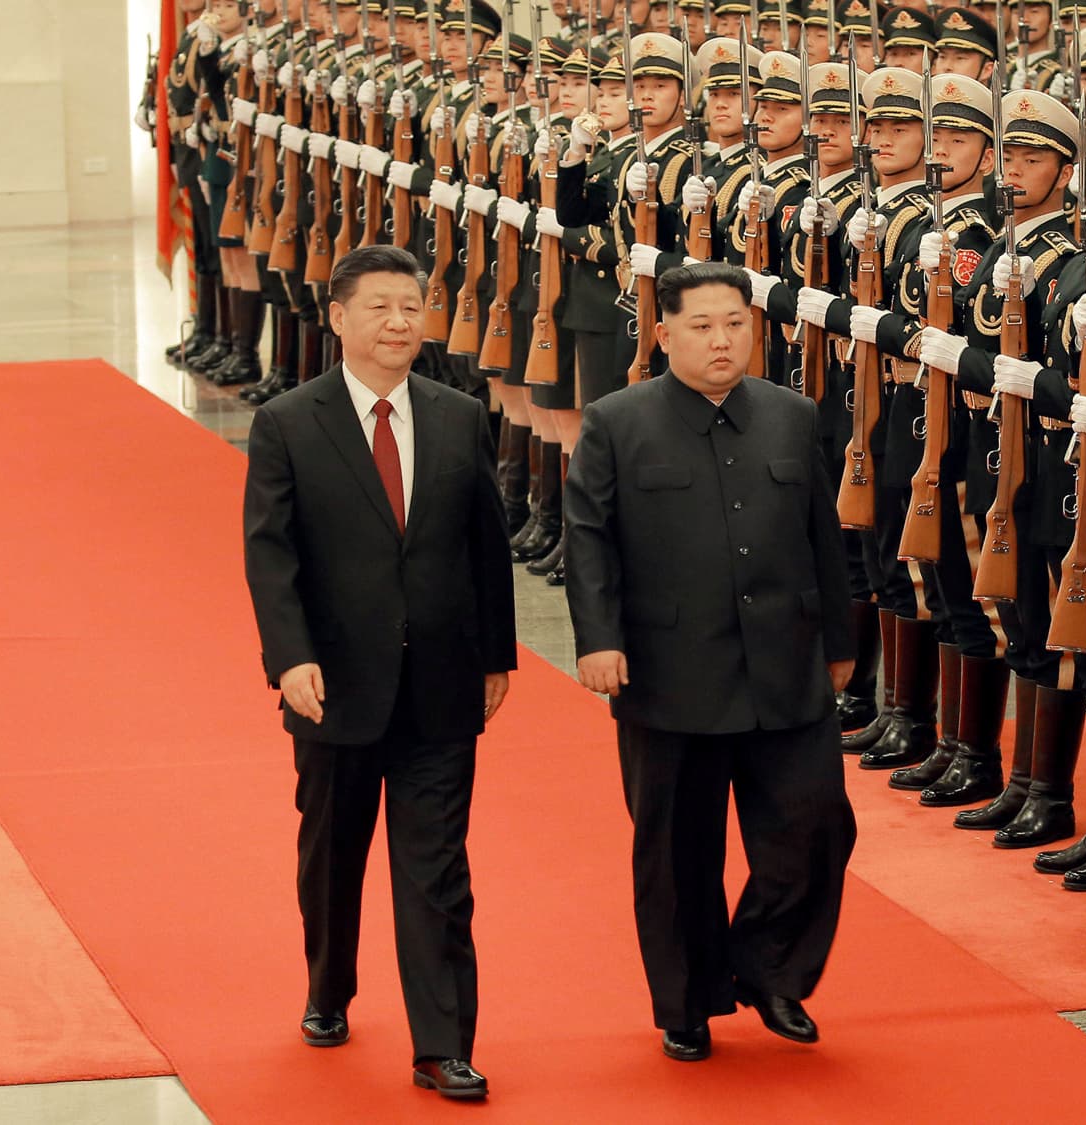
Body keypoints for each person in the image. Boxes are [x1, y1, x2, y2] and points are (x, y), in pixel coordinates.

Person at [562, 262, 858, 1063]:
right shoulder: (617, 421)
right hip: (669, 671)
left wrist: (840, 640)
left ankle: (768, 970)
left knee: (817, 827)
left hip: (786, 665)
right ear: (664, 335)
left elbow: (821, 538)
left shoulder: (793, 416)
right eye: (701, 325)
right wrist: (598, 637)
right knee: (677, 851)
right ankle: (687, 1002)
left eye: (735, 323)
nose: (722, 340)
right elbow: (588, 536)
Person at [241, 244, 516, 1100]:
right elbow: (270, 554)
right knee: (333, 853)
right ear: (340, 317)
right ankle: (329, 986)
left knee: (437, 866)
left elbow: (485, 547)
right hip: (333, 684)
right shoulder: (288, 420)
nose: (400, 323)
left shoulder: (458, 413)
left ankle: (443, 1044)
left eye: (412, 307)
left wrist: (497, 654)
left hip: (440, 683)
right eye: (380, 308)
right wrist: (289, 656)